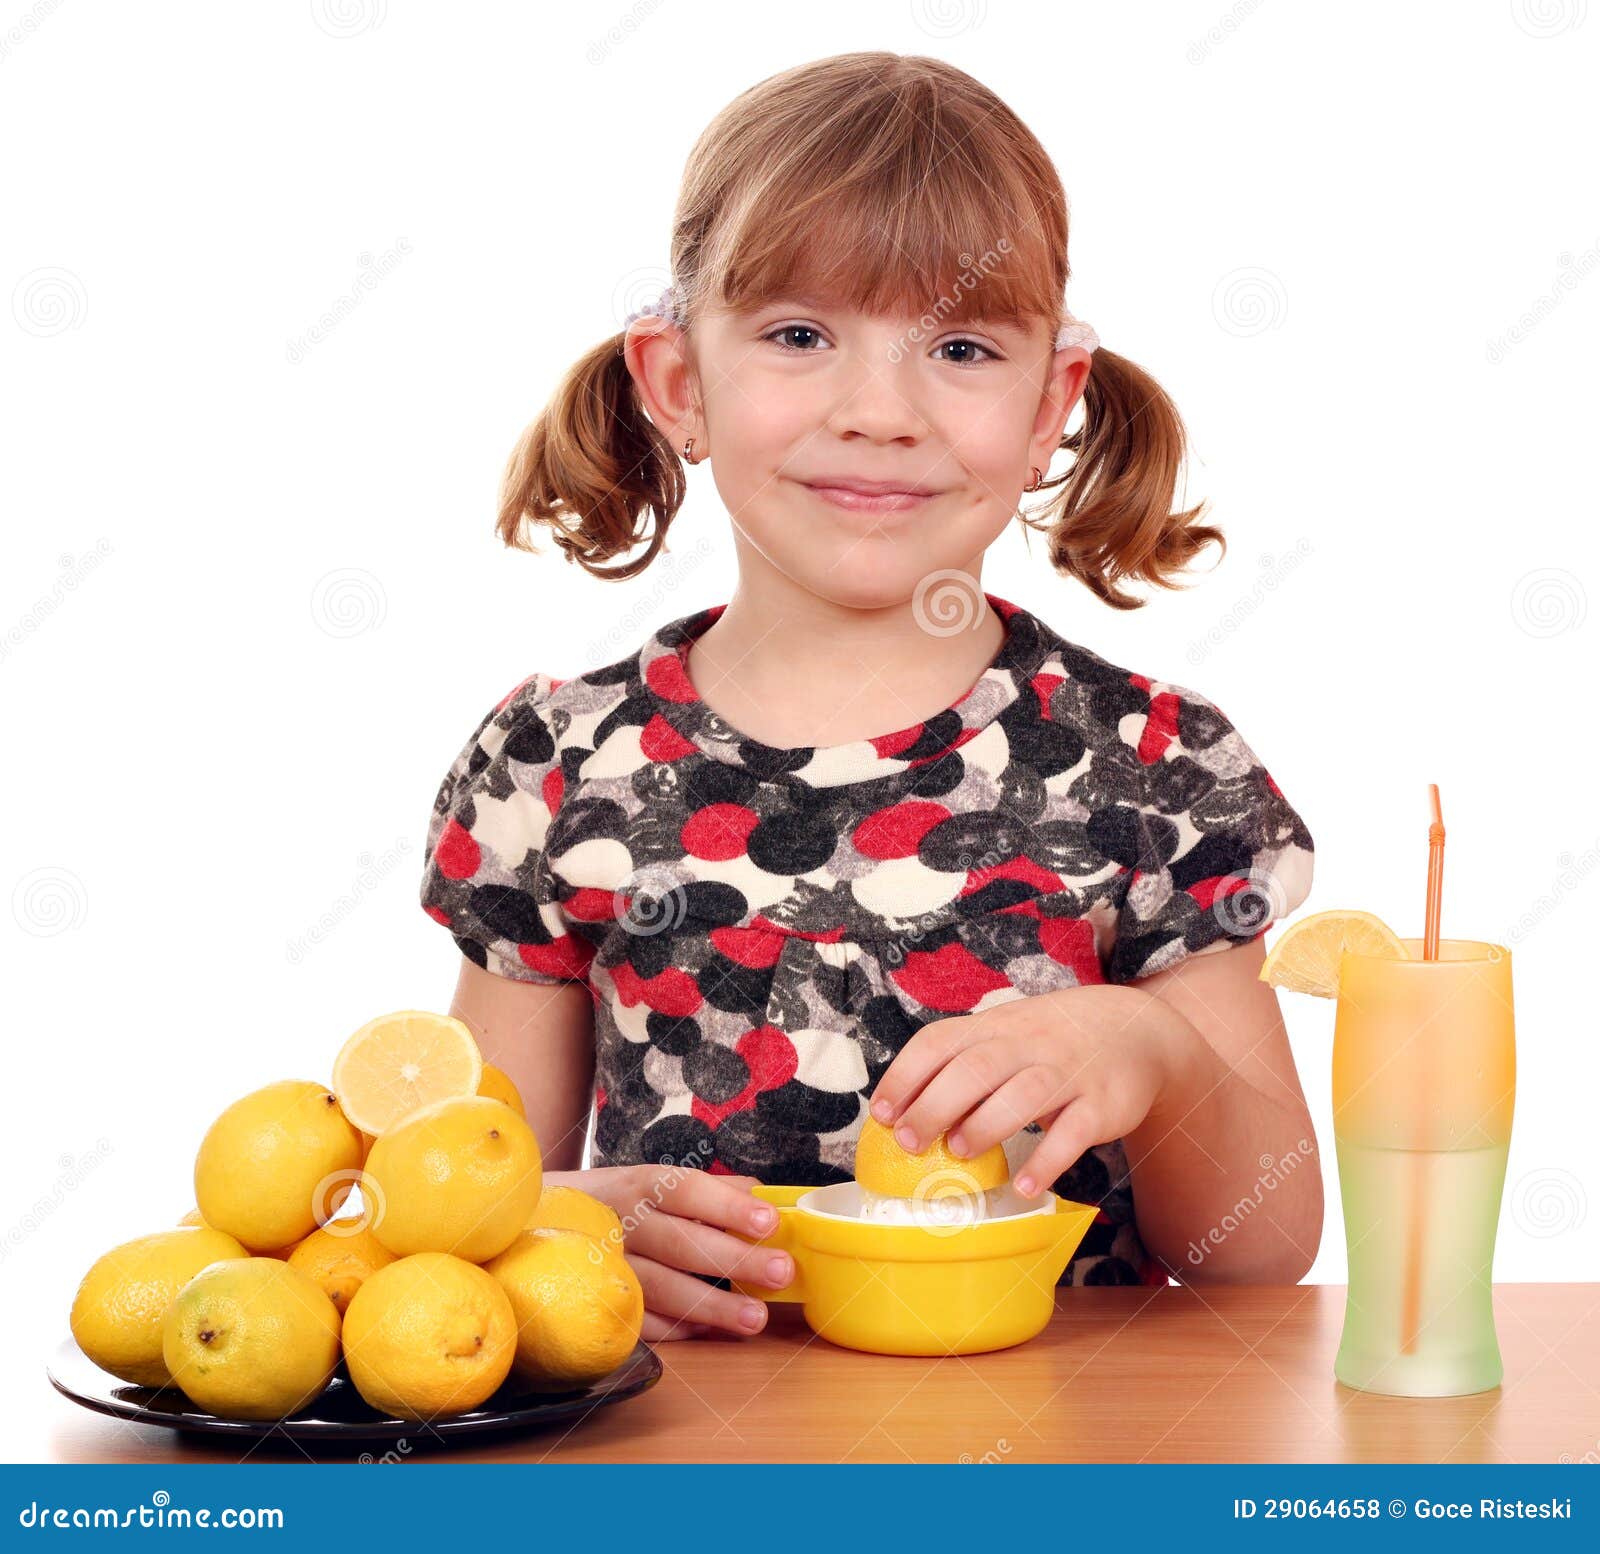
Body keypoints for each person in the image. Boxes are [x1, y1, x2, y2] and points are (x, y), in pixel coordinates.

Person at [419, 52, 1320, 1342]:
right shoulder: (556, 764)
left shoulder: (1153, 763)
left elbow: (1259, 1260)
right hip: (688, 1437)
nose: (881, 412)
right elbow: (468, 1210)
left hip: (1063, 1437)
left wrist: (1155, 1052)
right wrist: (569, 1223)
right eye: (799, 336)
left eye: (960, 348)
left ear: (1050, 405)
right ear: (680, 384)